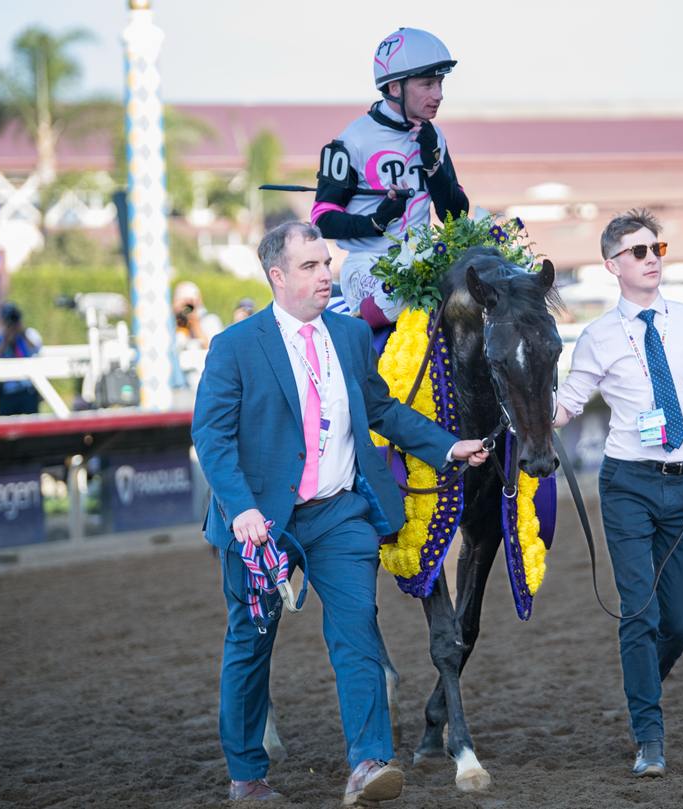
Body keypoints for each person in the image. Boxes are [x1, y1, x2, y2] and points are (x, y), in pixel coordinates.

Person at [191, 221, 489, 804]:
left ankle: (369, 764)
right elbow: (214, 438)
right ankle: (247, 776)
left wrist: (447, 445)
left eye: (326, 263)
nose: (326, 274)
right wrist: (243, 510)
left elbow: (382, 411)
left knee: (357, 630)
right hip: (260, 526)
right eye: (310, 266)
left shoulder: (350, 338)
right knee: (250, 644)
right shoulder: (234, 346)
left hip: (339, 516)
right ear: (277, 277)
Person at [553, 209, 683, 778]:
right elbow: (565, 408)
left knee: (681, 623)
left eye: (656, 247)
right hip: (627, 487)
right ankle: (649, 735)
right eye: (638, 252)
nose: (652, 258)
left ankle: (642, 683)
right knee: (637, 613)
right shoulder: (596, 338)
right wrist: (527, 412)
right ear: (613, 265)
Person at [312, 27, 469, 327]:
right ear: (395, 87)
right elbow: (322, 219)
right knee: (404, 299)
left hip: (423, 265)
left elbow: (456, 214)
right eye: (427, 84)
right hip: (368, 266)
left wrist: (433, 166)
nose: (439, 95)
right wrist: (376, 221)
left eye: (440, 83)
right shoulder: (351, 141)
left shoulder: (435, 136)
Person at [0, 301, 43, 415]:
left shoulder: (29, 334)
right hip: (6, 392)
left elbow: (36, 350)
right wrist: (5, 340)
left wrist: (22, 333)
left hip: (28, 390)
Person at [173, 281, 223, 350]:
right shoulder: (173, 322)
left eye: (189, 302)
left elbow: (215, 350)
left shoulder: (210, 320)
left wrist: (195, 323)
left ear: (199, 300)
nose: (186, 309)